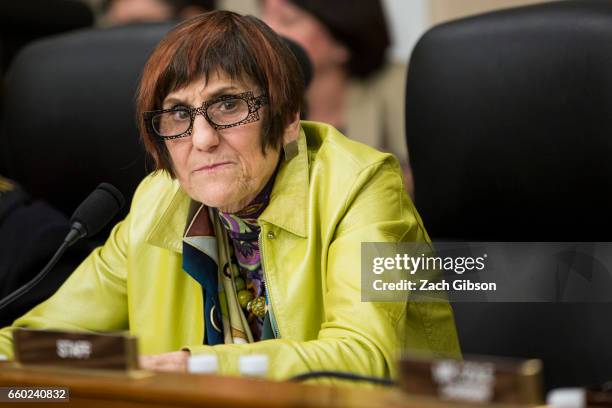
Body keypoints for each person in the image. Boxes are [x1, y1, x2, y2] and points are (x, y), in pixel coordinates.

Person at [0, 11, 459, 379]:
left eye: (228, 105)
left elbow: (363, 357)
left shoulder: (362, 186)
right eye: (178, 114)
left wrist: (198, 365)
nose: (201, 140)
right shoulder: (156, 204)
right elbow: (36, 344)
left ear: (286, 120)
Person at [261, 0, 414, 195]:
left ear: (342, 41)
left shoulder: (402, 83)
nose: (267, 33)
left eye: (288, 20)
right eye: (264, 16)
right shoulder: (255, 101)